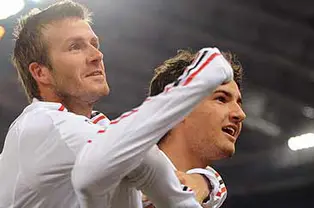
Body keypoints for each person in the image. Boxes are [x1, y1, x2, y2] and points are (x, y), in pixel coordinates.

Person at [0, 1, 234, 208]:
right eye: (75, 47)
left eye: (94, 44)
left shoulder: (92, 131)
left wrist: (204, 181)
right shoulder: (42, 126)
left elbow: (169, 176)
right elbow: (144, 162)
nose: (96, 55)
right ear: (41, 73)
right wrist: (194, 85)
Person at [136, 49, 245, 208]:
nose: (240, 114)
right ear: (179, 107)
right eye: (221, 99)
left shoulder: (204, 192)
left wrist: (205, 181)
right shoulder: (125, 178)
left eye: (238, 103)